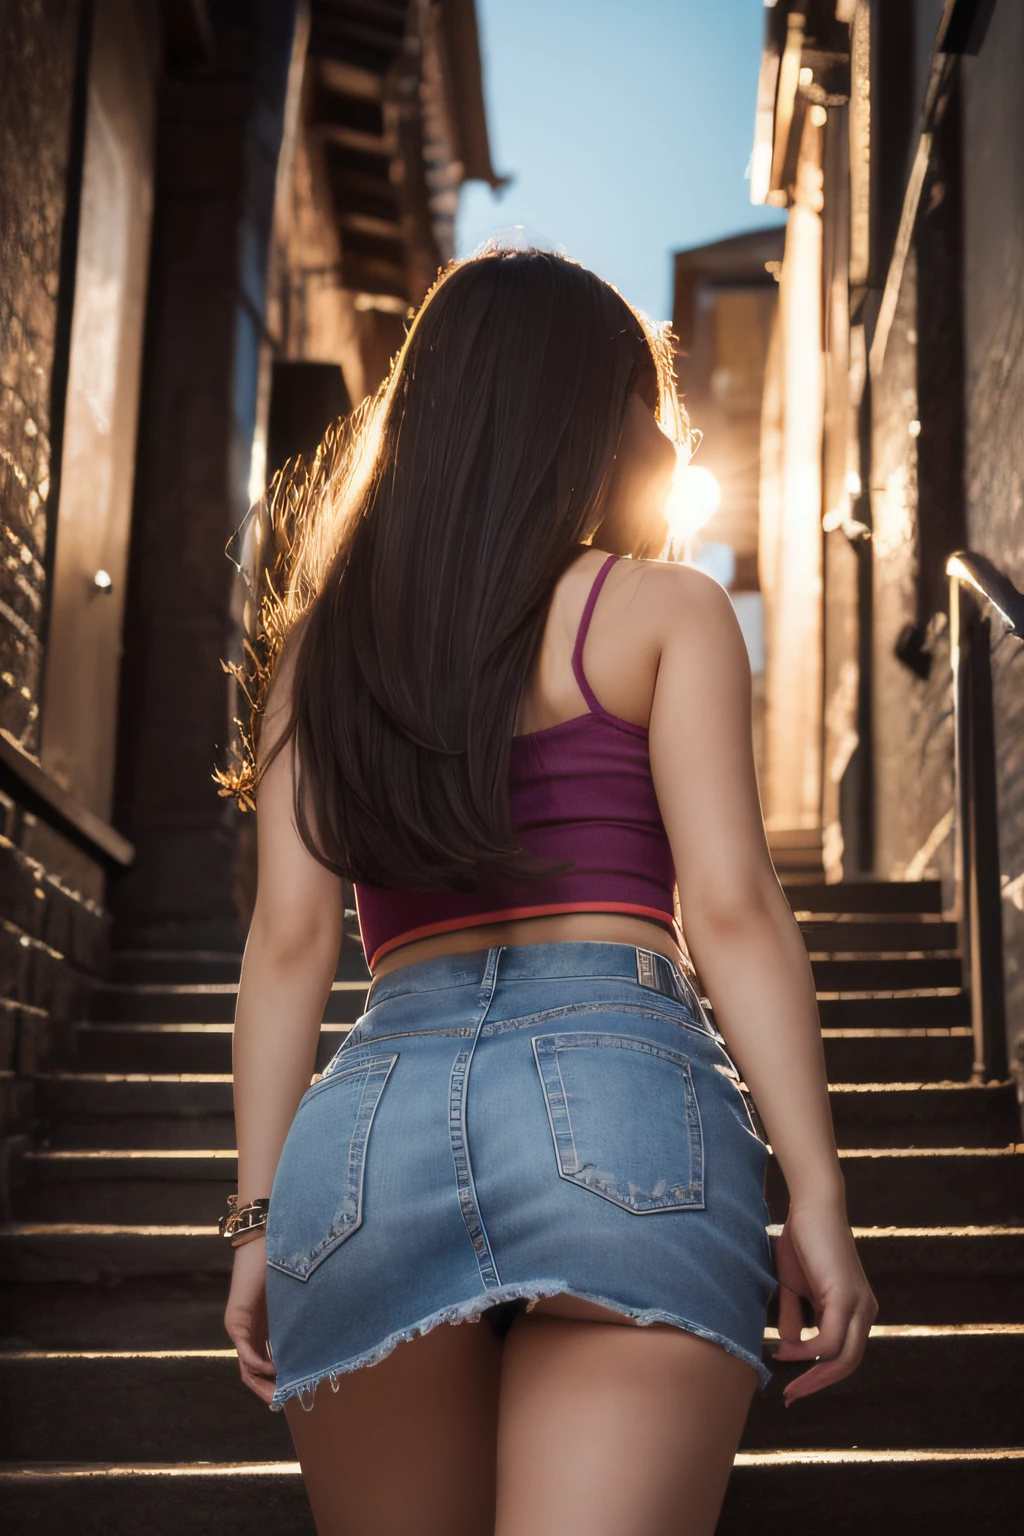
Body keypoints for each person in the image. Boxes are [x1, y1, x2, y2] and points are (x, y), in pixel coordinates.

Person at [223, 248, 877, 1536]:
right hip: (621, 1105)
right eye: (643, 399)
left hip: (366, 1142)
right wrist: (819, 1194)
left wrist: (255, 1217)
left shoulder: (326, 646)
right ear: (587, 411)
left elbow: (290, 942)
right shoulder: (660, 612)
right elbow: (734, 909)